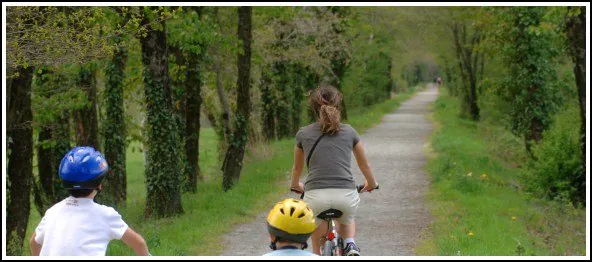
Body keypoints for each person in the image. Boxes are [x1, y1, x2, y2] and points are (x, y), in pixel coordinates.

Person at [290, 85, 379, 256]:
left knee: (317, 240)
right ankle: (349, 243)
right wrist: (372, 183)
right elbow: (365, 165)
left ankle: (318, 253)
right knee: (348, 216)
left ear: (314, 108)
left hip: (315, 197)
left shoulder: (303, 134)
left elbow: (297, 168)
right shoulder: (350, 132)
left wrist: (295, 184)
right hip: (345, 195)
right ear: (338, 105)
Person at [29, 146, 150, 256]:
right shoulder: (105, 215)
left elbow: (33, 243)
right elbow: (139, 244)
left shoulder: (52, 212)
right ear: (99, 185)